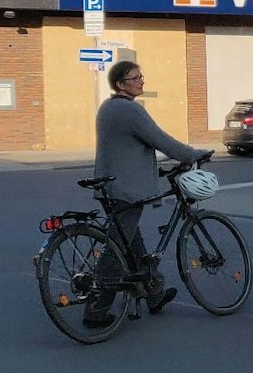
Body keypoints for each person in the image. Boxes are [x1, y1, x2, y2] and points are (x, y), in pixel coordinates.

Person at [89, 60, 207, 326]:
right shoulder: (129, 110)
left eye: (142, 76)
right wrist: (193, 155)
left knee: (134, 246)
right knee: (117, 250)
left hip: (113, 187)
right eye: (135, 78)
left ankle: (154, 294)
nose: (141, 81)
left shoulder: (109, 107)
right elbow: (158, 138)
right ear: (120, 84)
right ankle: (96, 311)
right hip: (125, 190)